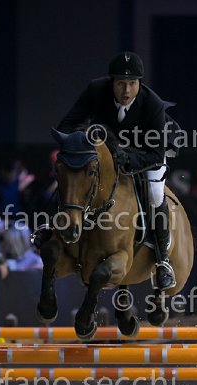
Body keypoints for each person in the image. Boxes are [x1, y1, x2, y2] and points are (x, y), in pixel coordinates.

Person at [51, 51, 179, 291]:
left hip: (144, 155)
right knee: (72, 177)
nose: (126, 91)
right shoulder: (95, 90)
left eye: (132, 83)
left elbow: (155, 154)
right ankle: (47, 229)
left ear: (139, 83)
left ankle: (163, 261)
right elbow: (67, 124)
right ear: (112, 82)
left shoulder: (152, 104)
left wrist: (128, 158)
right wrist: (76, 143)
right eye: (120, 83)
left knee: (155, 195)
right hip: (106, 154)